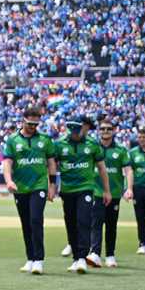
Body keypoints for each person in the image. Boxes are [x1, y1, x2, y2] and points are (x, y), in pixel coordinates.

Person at [1, 106, 57, 274]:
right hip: (20, 187)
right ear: (23, 120)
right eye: (30, 123)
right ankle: (30, 258)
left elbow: (51, 163)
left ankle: (39, 259)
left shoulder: (45, 140)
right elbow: (8, 163)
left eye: (35, 124)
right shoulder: (12, 140)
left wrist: (52, 185)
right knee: (26, 223)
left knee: (35, 219)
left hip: (39, 185)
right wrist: (9, 181)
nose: (33, 127)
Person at [55, 116, 111, 274]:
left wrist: (106, 191)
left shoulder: (92, 144)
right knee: (71, 223)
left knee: (83, 221)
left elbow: (101, 168)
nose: (78, 133)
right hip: (67, 190)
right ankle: (75, 258)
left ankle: (82, 258)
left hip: (85, 188)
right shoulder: (59, 144)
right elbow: (51, 165)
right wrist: (51, 185)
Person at [86, 118, 132, 267]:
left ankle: (110, 255)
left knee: (111, 225)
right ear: (99, 131)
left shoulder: (120, 150)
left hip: (115, 193)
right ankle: (95, 253)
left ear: (114, 131)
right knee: (96, 222)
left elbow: (128, 170)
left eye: (108, 129)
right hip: (96, 192)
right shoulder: (92, 148)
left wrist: (129, 188)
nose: (105, 131)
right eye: (103, 128)